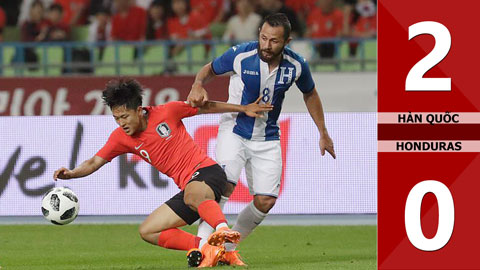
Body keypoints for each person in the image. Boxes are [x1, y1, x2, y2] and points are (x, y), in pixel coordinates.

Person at [53, 78, 273, 267]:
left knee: (192, 194)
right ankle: (208, 248)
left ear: (138, 110)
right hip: (189, 188)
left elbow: (205, 107)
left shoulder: (168, 111)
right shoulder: (121, 137)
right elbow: (93, 162)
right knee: (148, 230)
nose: (121, 123)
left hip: (207, 173)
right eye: (116, 119)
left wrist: (243, 108)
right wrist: (71, 173)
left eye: (125, 117)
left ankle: (224, 231)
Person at [188, 13, 336, 266]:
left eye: (274, 41)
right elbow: (209, 69)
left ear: (287, 41)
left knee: (265, 200)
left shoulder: (297, 65)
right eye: (263, 38)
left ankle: (226, 248)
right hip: (233, 129)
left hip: (267, 137)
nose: (266, 45)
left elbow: (310, 93)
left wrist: (323, 132)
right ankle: (200, 249)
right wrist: (197, 84)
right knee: (223, 187)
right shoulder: (241, 55)